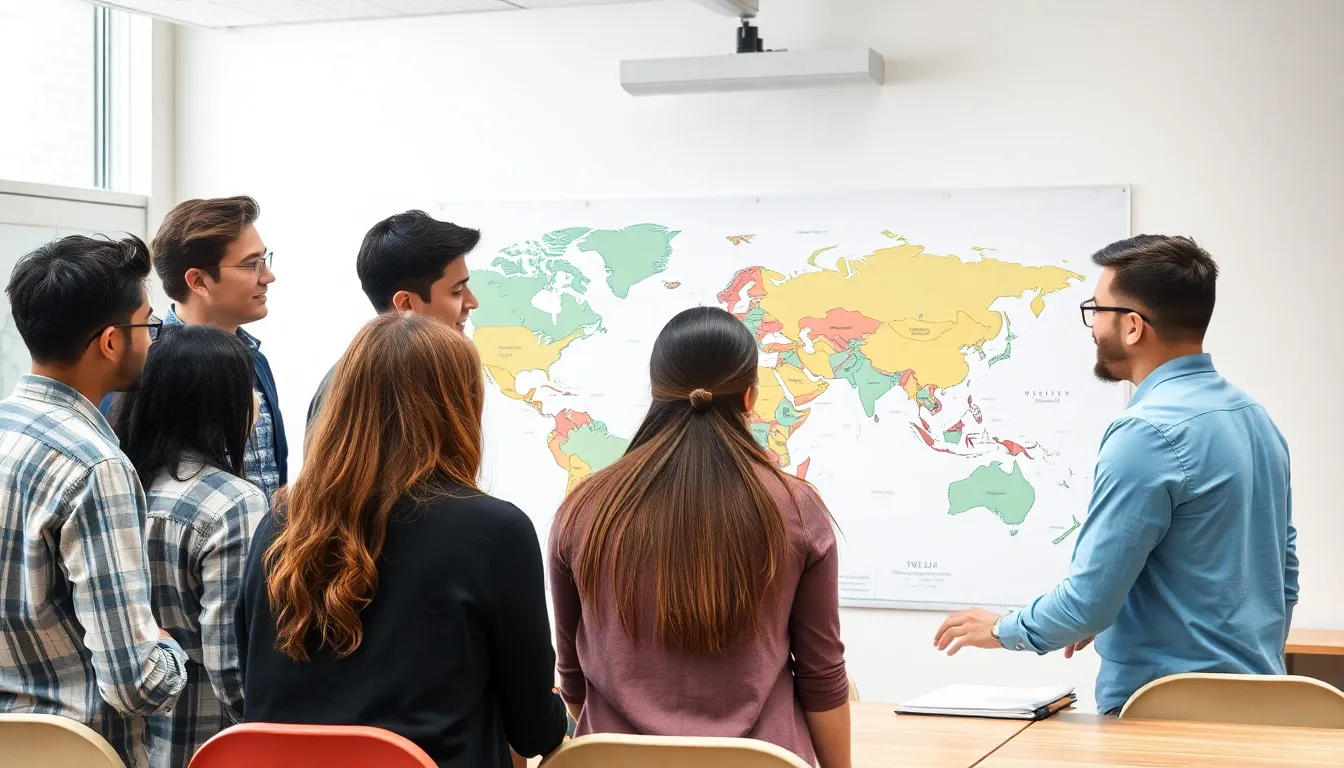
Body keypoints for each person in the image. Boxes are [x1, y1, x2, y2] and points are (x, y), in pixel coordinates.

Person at [935, 235, 1297, 716]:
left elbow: (1088, 602)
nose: (1092, 327)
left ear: (1131, 326)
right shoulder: (1255, 418)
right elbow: (1282, 575)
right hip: (1262, 706)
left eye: (1096, 310)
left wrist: (1001, 629)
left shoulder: (1147, 433)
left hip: (1165, 716)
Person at [236, 313, 567, 768]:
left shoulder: (279, 524)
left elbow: (252, 686)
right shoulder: (495, 532)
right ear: (458, 409)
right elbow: (533, 730)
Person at [549, 306, 852, 768]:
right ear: (750, 396)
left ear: (656, 391)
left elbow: (572, 678)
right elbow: (821, 677)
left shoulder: (584, 508)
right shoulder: (796, 508)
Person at [0, 234, 187, 767]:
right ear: (109, 342)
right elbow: (134, 684)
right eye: (148, 325)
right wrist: (167, 650)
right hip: (75, 752)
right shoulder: (95, 466)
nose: (153, 339)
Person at [110, 325, 268, 768]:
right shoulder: (234, 503)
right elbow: (231, 663)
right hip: (209, 742)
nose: (255, 401)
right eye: (247, 389)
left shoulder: (122, 485)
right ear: (220, 401)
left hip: (131, 739)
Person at [104, 196, 287, 503]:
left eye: (264, 260)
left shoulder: (256, 361)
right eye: (251, 264)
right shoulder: (142, 368)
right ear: (198, 281)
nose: (268, 277)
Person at [305, 210, 479, 427]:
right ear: (406, 304)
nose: (473, 302)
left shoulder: (439, 373)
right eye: (457, 291)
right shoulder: (354, 392)